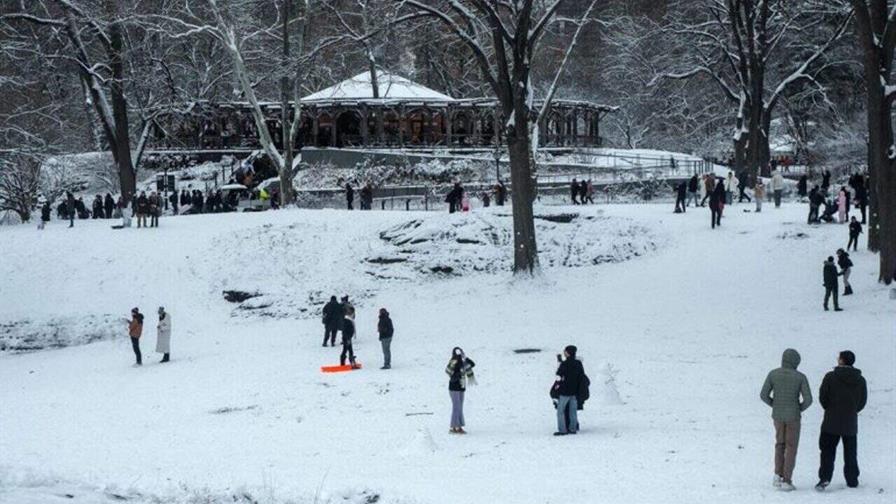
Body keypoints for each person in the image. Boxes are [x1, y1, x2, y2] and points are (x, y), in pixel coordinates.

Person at [760, 348, 813, 492]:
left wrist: (775, 405)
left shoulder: (773, 374)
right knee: (791, 447)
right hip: (793, 417)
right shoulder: (800, 377)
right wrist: (798, 408)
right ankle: (787, 480)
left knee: (779, 444)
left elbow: (763, 395)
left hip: (777, 415)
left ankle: (777, 475)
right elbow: (808, 399)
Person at [815, 351, 868, 492]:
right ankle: (852, 480)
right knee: (850, 453)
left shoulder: (830, 377)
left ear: (842, 361)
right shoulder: (860, 380)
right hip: (850, 422)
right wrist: (852, 411)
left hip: (831, 421)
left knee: (827, 451)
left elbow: (823, 397)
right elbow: (862, 402)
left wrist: (830, 409)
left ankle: (825, 478)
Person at [552, 345, 587, 436]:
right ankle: (573, 428)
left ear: (567, 353)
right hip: (575, 391)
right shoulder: (578, 363)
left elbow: (558, 375)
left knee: (560, 411)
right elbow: (582, 376)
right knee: (573, 411)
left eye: (565, 351)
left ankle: (562, 430)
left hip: (564, 391)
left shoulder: (564, 364)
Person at [446, 347, 475, 434]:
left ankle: (458, 426)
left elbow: (472, 364)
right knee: (456, 407)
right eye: (459, 354)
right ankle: (454, 427)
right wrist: (457, 374)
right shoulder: (453, 362)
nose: (460, 356)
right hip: (454, 388)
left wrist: (466, 358)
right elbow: (448, 371)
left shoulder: (464, 362)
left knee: (459, 407)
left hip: (461, 387)